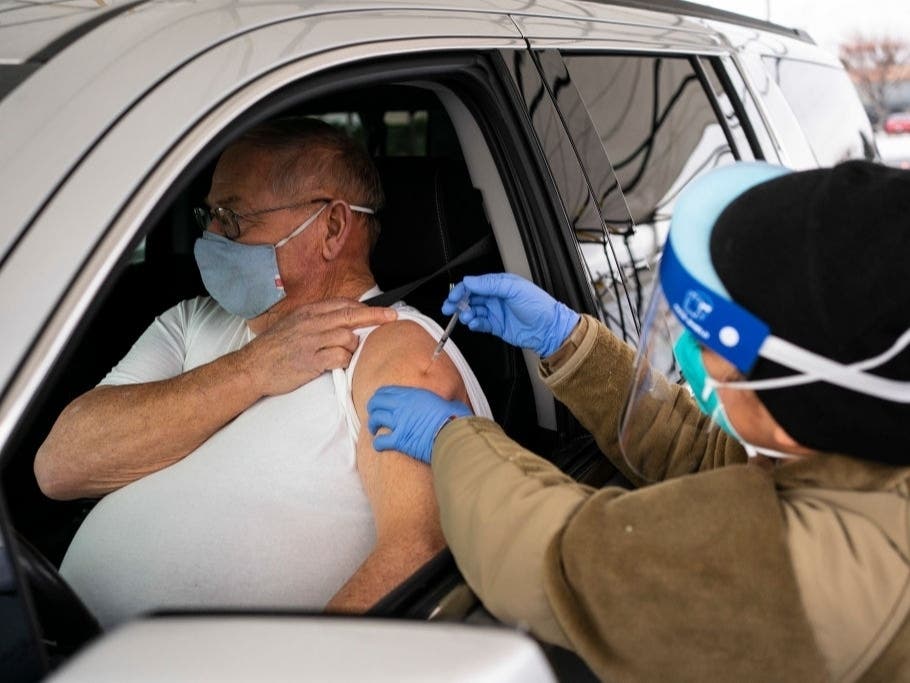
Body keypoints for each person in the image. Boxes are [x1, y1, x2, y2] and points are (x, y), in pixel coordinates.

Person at [367, 161, 910, 681]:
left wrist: (452, 439)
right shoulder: (853, 443)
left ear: (797, 397)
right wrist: (570, 342)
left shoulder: (806, 571)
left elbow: (556, 561)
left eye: (705, 342)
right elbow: (707, 457)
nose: (687, 351)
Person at [34, 118, 491, 628]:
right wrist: (255, 369)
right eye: (209, 213)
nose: (209, 236)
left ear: (332, 228)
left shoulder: (391, 343)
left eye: (232, 217)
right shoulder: (191, 321)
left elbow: (420, 554)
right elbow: (59, 466)